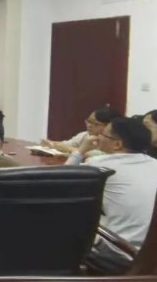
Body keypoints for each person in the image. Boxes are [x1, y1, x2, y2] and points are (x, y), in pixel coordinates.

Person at [65, 117, 157, 273]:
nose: (98, 136)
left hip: (121, 254)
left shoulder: (100, 164)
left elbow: (63, 181)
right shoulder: (154, 164)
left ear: (117, 144)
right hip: (151, 259)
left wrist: (81, 150)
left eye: (103, 133)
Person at [41, 105, 122, 156]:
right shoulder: (85, 135)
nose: (89, 125)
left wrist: (65, 148)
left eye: (95, 123)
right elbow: (66, 144)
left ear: (108, 126)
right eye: (89, 121)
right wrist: (50, 143)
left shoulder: (110, 142)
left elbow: (87, 155)